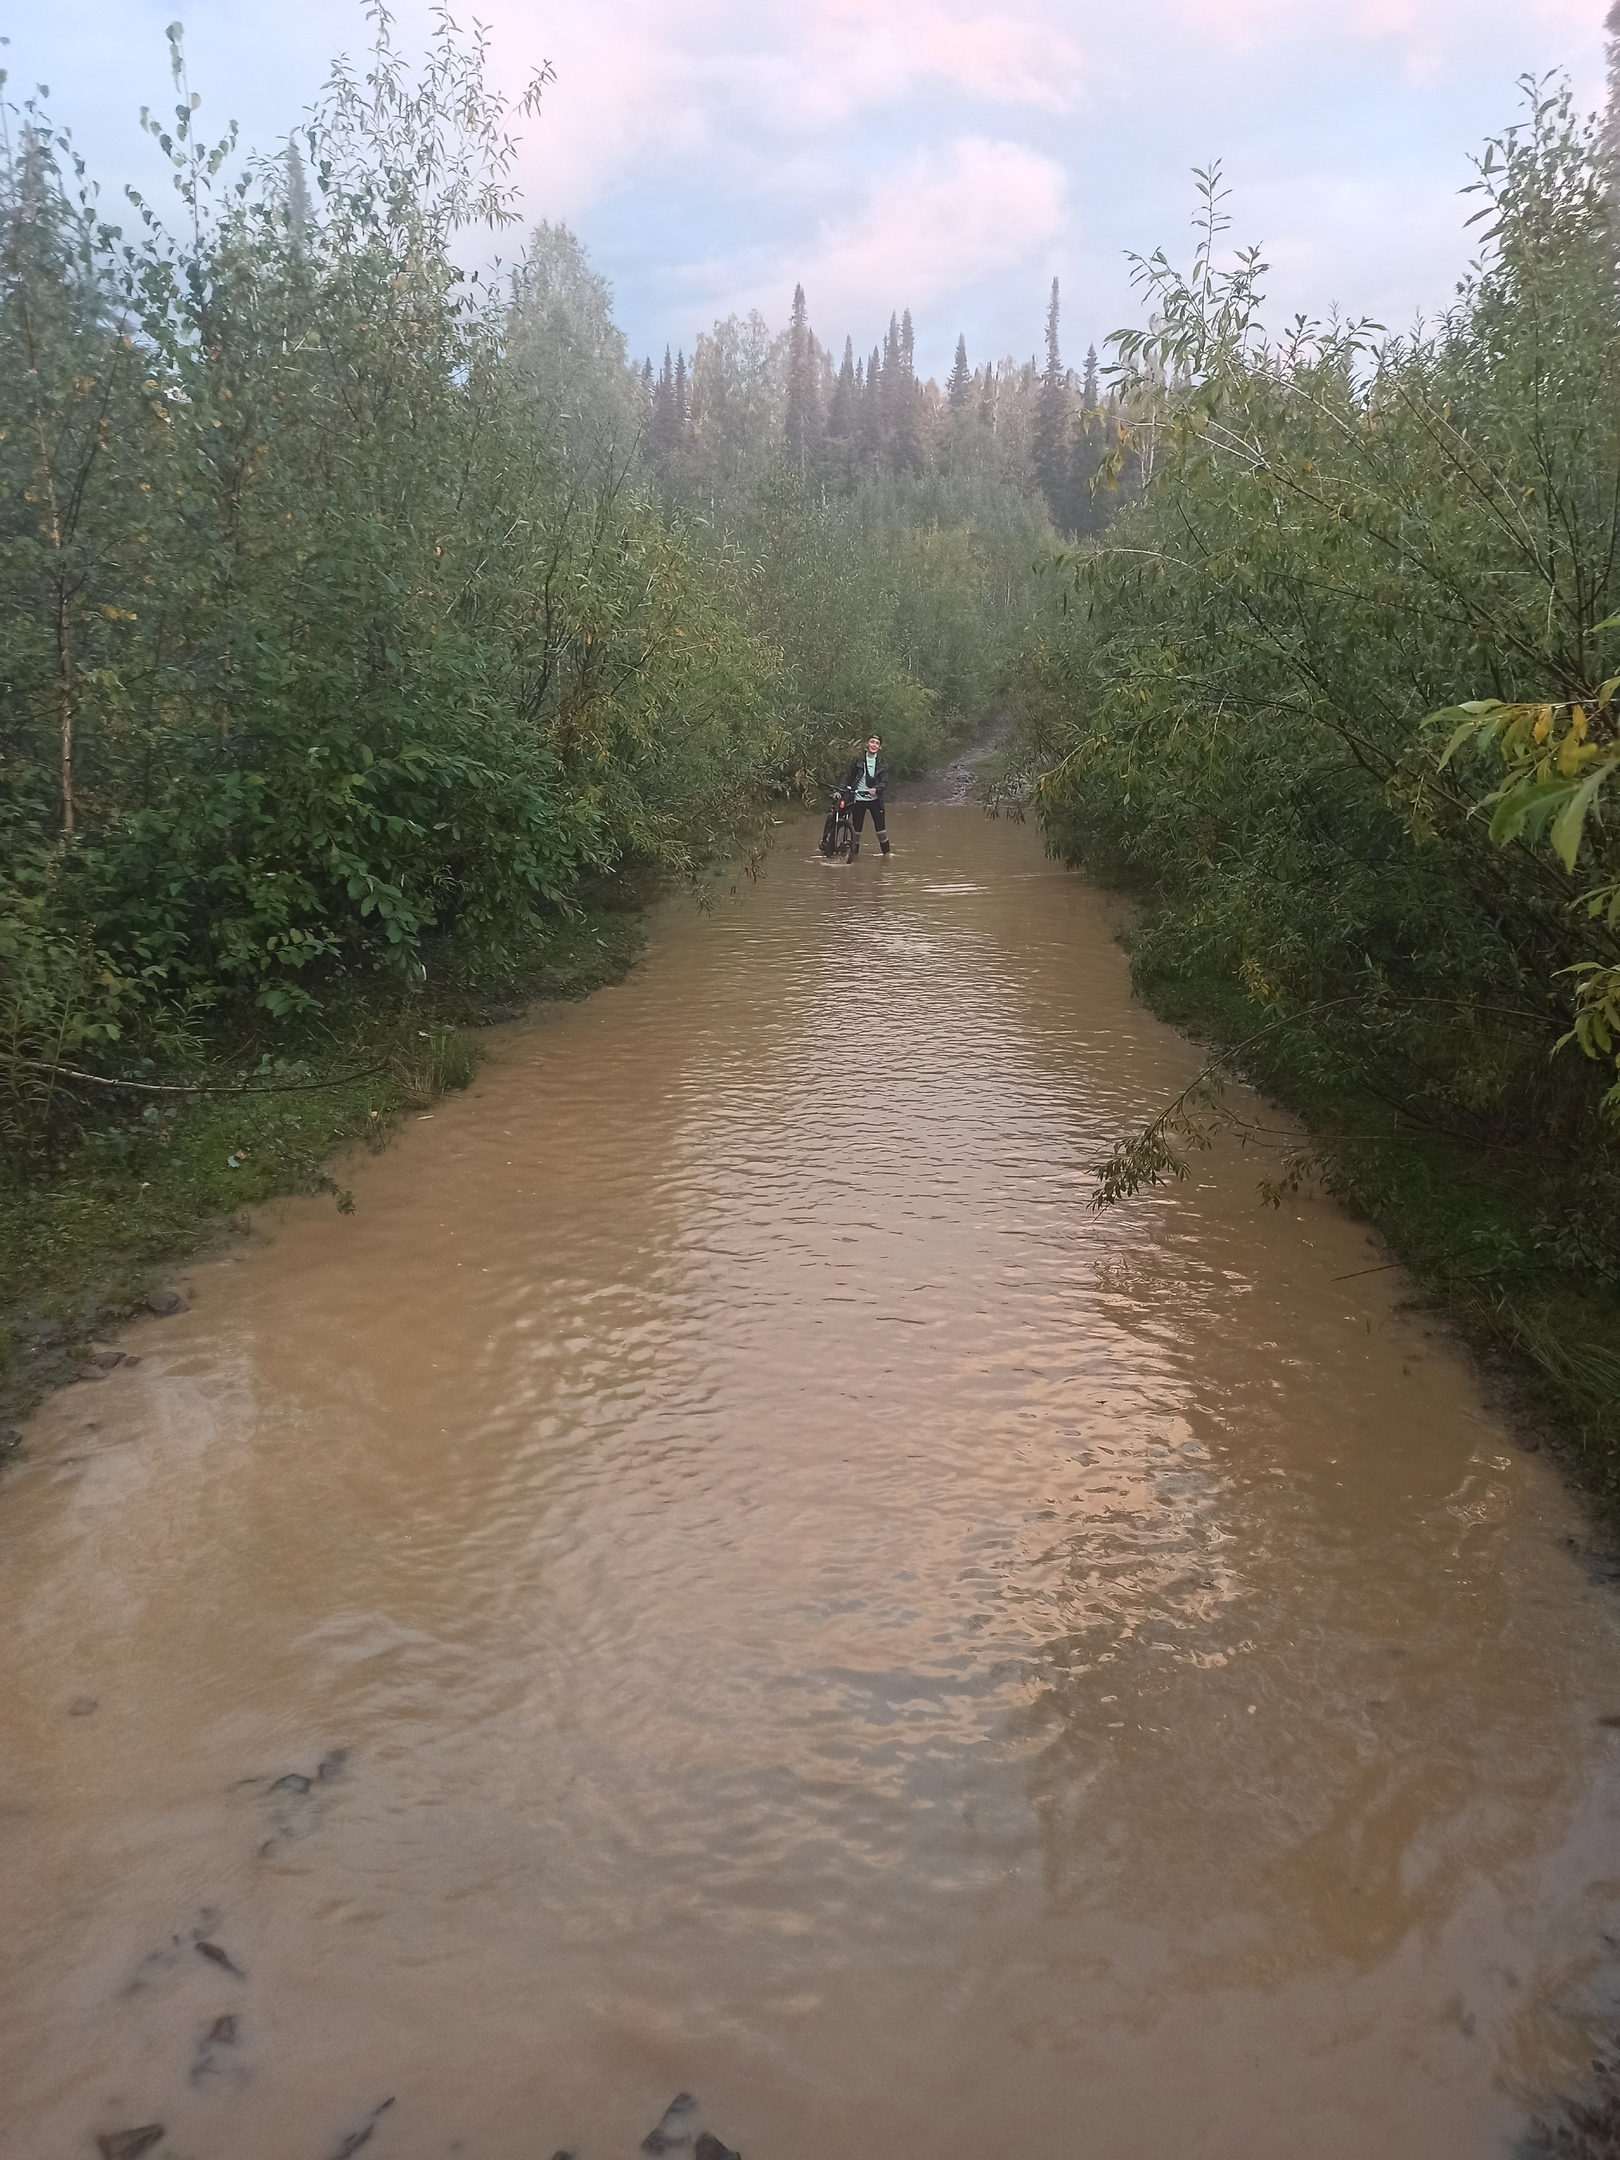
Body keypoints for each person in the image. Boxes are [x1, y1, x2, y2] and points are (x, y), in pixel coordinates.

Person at [844, 733, 891, 859]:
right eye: (872, 742)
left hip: (876, 801)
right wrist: (844, 790)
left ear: (879, 747)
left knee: (881, 832)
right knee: (856, 832)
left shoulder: (882, 762)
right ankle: (853, 858)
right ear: (867, 744)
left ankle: (887, 856)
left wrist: (876, 788)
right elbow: (848, 777)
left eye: (877, 743)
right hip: (859, 799)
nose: (874, 745)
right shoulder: (857, 760)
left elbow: (885, 782)